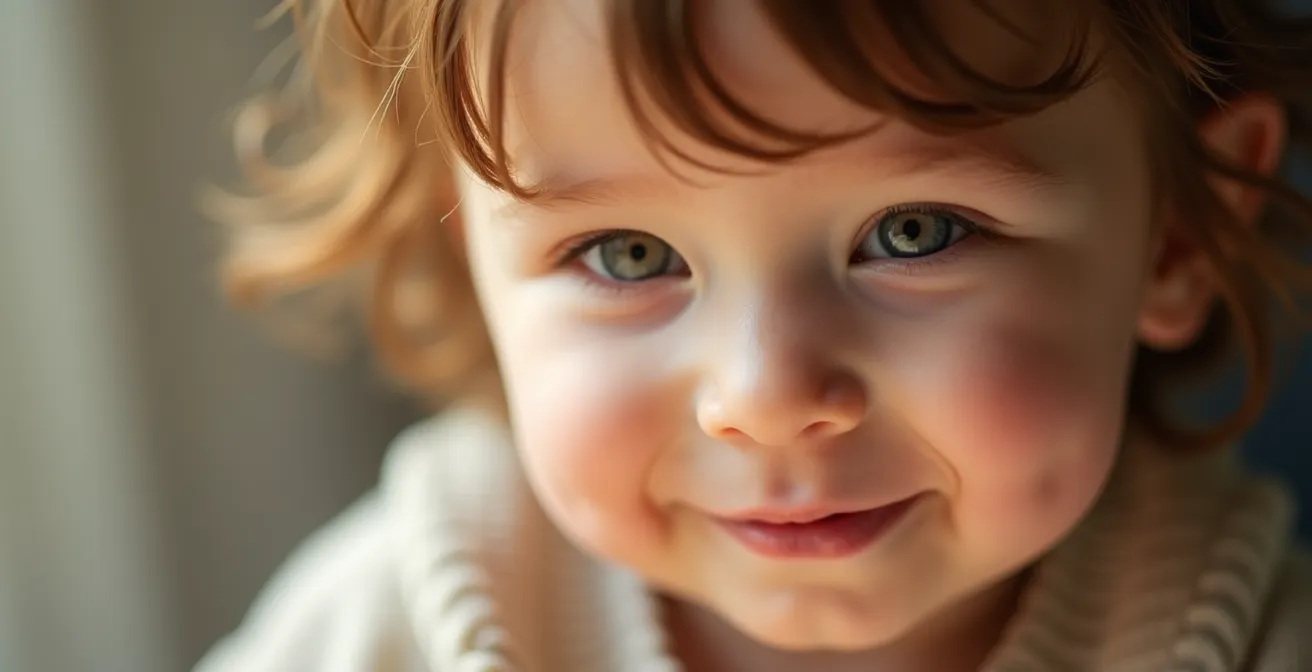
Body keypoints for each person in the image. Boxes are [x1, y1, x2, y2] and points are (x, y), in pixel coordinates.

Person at [194, 1, 1312, 670]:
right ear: (465, 259)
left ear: (1174, 236)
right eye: (628, 255)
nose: (766, 392)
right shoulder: (381, 628)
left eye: (913, 233)